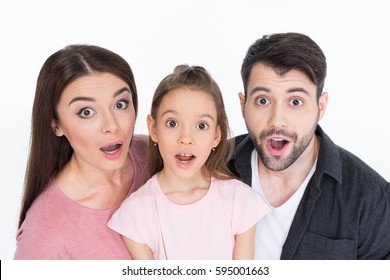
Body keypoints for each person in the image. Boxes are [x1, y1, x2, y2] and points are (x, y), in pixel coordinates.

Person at [228, 32, 390, 260]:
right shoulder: (209, 167)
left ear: (320, 107)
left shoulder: (372, 200)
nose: (277, 120)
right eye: (263, 100)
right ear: (243, 105)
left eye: (295, 102)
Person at [108, 65, 269, 260]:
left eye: (201, 126)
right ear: (153, 128)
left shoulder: (239, 200)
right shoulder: (136, 213)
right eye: (172, 123)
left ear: (216, 136)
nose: (186, 138)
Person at [14, 44, 149, 259]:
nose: (111, 125)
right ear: (56, 125)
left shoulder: (155, 154)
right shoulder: (44, 236)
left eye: (121, 104)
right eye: (86, 112)